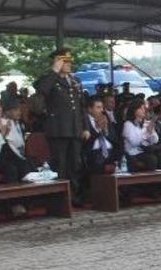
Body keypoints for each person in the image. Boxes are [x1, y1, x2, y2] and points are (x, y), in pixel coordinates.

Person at [34, 48, 87, 203]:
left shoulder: (75, 80)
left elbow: (81, 106)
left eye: (69, 61)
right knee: (60, 164)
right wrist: (54, 72)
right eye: (65, 61)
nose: (68, 64)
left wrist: (85, 127)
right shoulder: (49, 79)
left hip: (74, 129)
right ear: (57, 61)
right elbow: (41, 90)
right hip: (58, 129)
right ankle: (61, 198)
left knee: (75, 164)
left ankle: (74, 195)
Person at [122, 99, 161, 172]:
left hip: (146, 151)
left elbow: (155, 140)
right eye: (141, 108)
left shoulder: (146, 123)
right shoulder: (128, 124)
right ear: (134, 110)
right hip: (134, 153)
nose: (144, 110)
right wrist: (146, 133)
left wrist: (151, 131)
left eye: (144, 108)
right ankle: (149, 182)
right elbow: (134, 142)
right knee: (152, 159)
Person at [83, 96, 119, 175]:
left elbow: (114, 138)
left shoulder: (105, 118)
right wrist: (98, 130)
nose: (102, 110)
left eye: (102, 107)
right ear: (90, 109)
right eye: (98, 107)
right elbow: (85, 142)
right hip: (94, 155)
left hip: (109, 153)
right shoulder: (85, 121)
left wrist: (105, 130)